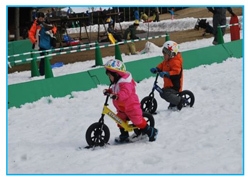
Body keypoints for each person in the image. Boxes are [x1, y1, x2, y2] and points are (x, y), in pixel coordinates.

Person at [103, 59, 158, 143]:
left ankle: (151, 131)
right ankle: (124, 135)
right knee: (119, 120)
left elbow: (125, 93)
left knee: (137, 120)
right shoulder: (117, 83)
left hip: (131, 106)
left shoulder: (126, 83)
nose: (109, 78)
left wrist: (117, 96)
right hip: (122, 108)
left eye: (110, 76)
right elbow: (116, 90)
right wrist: (109, 91)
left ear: (117, 74)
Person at [150, 40, 184, 111]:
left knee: (165, 94)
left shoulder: (176, 62)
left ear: (171, 54)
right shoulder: (167, 60)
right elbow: (162, 65)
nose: (164, 56)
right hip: (169, 85)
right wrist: (157, 68)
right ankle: (173, 102)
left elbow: (176, 72)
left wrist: (167, 73)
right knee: (163, 93)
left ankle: (179, 101)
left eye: (165, 54)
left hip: (175, 85)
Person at [28, 12, 57, 76]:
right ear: (37, 18)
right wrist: (34, 41)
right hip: (40, 44)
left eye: (42, 18)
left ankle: (44, 71)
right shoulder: (35, 25)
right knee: (43, 58)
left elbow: (54, 28)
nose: (41, 19)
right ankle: (42, 72)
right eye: (40, 18)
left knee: (45, 58)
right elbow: (31, 34)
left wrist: (52, 31)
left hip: (47, 43)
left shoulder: (47, 22)